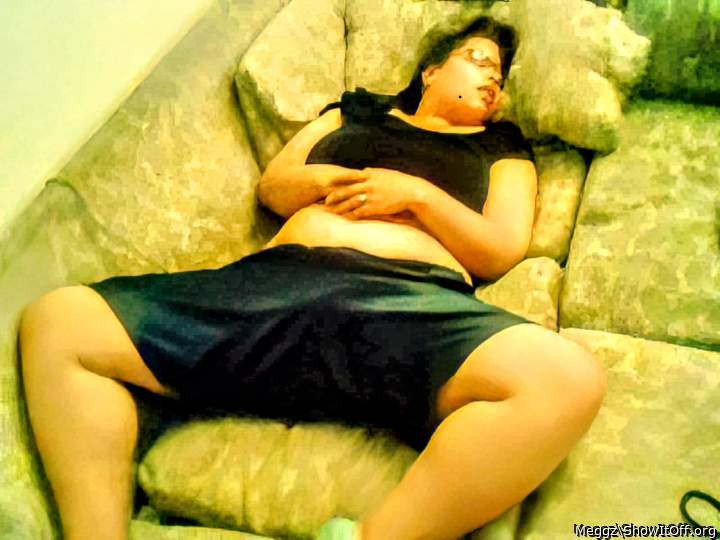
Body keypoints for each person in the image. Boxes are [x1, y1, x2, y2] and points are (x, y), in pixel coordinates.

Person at [18, 17, 608, 540]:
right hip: (277, 285)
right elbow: (276, 185)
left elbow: (501, 248)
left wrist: (417, 196)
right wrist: (338, 180)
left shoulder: (502, 147)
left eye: (499, 77)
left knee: (566, 381)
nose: (491, 81)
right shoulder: (353, 112)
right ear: (430, 71)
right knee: (61, 322)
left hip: (407, 304)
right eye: (478, 60)